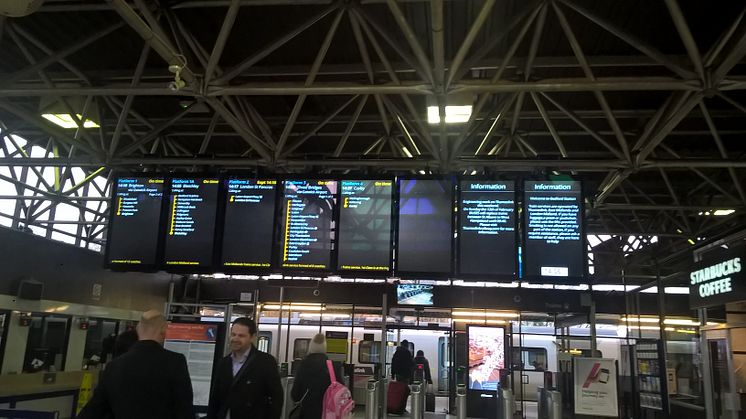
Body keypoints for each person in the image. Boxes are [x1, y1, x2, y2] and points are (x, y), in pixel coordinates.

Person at [78, 310, 194, 419]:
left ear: (138, 330)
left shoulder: (114, 366)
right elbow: (184, 409)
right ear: (164, 332)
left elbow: (92, 411)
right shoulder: (175, 362)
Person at [207, 317, 283, 419]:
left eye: (241, 336)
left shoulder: (266, 362)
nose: (235, 339)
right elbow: (215, 398)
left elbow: (276, 398)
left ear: (252, 337)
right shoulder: (224, 363)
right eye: (233, 334)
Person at [291, 333, 338, 419]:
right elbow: (341, 391)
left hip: (307, 413)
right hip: (329, 414)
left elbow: (295, 394)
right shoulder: (332, 366)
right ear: (325, 347)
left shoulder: (303, 365)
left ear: (311, 346)